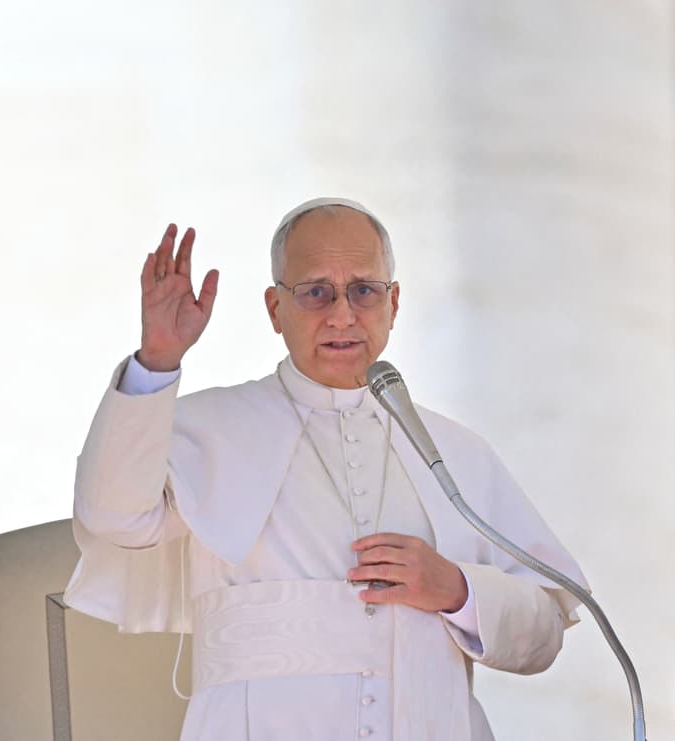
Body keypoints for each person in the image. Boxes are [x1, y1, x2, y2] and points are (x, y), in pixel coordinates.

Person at [63, 197, 585, 741]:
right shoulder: (207, 429)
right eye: (315, 292)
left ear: (394, 303)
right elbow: (113, 519)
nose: (342, 314)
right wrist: (157, 361)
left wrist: (457, 589)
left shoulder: (454, 452)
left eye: (363, 290)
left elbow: (543, 634)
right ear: (274, 309)